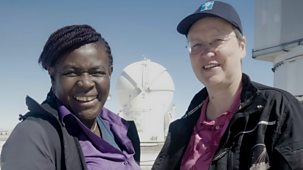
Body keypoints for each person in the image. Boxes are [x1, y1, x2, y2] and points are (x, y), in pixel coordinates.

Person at [152, 1, 303, 170]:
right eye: (196, 44)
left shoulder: (279, 111)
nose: (207, 52)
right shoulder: (181, 128)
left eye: (217, 40)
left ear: (242, 46)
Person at [1, 24, 140, 170]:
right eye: (71, 73)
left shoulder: (119, 129)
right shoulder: (33, 137)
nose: (86, 83)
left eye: (97, 72)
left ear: (109, 73)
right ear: (53, 76)